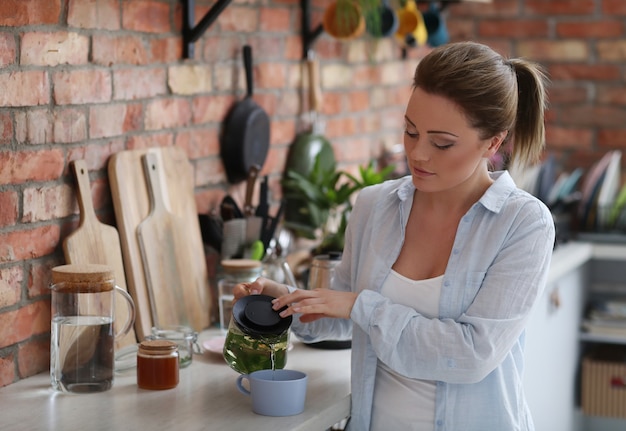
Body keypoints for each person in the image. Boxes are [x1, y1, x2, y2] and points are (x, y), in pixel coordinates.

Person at [234, 41, 555, 431]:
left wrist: (360, 306)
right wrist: (284, 299)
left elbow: (470, 356)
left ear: (493, 142)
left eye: (441, 143)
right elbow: (342, 320)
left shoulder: (523, 224)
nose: (417, 154)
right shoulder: (374, 206)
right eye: (410, 131)